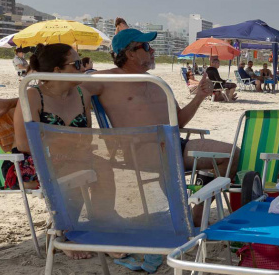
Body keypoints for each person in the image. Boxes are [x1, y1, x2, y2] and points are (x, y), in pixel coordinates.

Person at [81, 28, 235, 178]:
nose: (153, 51)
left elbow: (178, 121)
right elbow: (70, 88)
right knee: (230, 156)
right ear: (130, 54)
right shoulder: (108, 80)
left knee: (233, 155)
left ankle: (199, 203)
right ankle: (195, 200)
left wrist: (199, 97)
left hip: (173, 145)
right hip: (142, 150)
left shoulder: (157, 83)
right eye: (147, 46)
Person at [10, 44, 93, 259]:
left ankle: (104, 227)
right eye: (76, 64)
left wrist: (75, 149)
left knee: (105, 168)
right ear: (57, 70)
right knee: (75, 168)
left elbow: (88, 136)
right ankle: (62, 233)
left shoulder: (83, 95)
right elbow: (24, 144)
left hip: (75, 158)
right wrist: (66, 148)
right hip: (36, 162)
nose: (82, 68)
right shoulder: (32, 95)